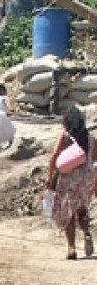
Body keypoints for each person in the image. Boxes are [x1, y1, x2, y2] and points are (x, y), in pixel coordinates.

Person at [45, 107, 97, 260]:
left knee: (69, 212)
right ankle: (86, 232)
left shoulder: (64, 136)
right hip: (87, 177)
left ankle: (72, 248)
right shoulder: (90, 138)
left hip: (69, 178)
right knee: (81, 208)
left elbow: (54, 154)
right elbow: (94, 157)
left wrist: (50, 175)